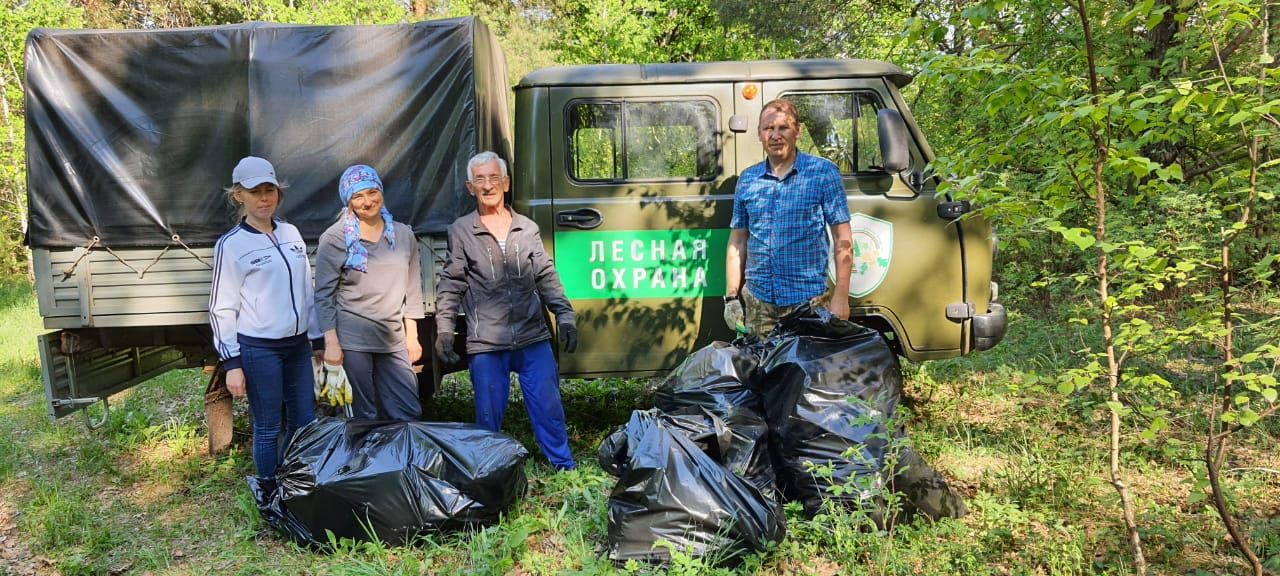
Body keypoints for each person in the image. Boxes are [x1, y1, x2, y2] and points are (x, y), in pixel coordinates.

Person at [434, 151, 578, 471]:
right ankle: (489, 472)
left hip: (531, 335)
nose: (488, 186)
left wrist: (564, 314)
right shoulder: (461, 231)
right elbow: (451, 283)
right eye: (480, 180)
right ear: (470, 188)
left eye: (494, 178)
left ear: (506, 183)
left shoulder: (526, 228)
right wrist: (445, 330)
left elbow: (545, 274)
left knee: (549, 407)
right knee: (487, 416)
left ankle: (563, 466)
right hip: (487, 341)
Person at [209, 156, 319, 493]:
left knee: (304, 423)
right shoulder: (231, 245)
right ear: (238, 195)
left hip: (298, 347)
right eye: (254, 191)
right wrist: (232, 363)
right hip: (260, 350)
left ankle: (301, 489)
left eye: (269, 189)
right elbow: (221, 307)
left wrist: (317, 340)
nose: (264, 198)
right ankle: (271, 495)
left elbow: (307, 290)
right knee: (268, 426)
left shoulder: (291, 232)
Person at [724, 98, 854, 337]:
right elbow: (737, 242)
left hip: (808, 304)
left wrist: (841, 298)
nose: (775, 135)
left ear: (797, 131)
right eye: (768, 128)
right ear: (759, 134)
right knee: (762, 372)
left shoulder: (823, 173)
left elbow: (842, 238)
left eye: (783, 127)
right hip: (759, 304)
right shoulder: (748, 179)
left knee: (809, 373)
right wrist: (731, 297)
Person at [314, 164, 425, 421]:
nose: (367, 202)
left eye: (372, 192)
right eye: (358, 196)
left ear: (381, 191)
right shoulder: (335, 238)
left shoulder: (403, 234)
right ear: (349, 201)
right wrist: (331, 344)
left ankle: (401, 460)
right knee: (363, 415)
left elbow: (413, 288)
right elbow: (323, 295)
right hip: (353, 341)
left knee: (407, 410)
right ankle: (366, 460)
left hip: (393, 338)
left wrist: (413, 337)